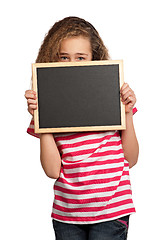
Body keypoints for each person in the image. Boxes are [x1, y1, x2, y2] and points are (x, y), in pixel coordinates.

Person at [25, 16, 139, 240]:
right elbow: (52, 171)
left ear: (93, 59)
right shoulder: (49, 104)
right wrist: (42, 116)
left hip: (112, 209)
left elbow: (131, 158)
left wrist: (127, 111)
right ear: (53, 60)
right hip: (68, 214)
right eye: (64, 57)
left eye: (80, 57)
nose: (71, 64)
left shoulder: (111, 96)